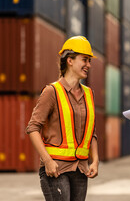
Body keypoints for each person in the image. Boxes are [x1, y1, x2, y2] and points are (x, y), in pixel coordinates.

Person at [26, 36, 99, 201]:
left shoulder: (89, 94)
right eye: (85, 60)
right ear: (70, 61)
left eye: (89, 61)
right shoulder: (52, 91)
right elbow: (32, 128)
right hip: (56, 169)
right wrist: (47, 161)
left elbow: (91, 132)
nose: (88, 65)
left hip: (80, 170)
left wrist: (95, 160)